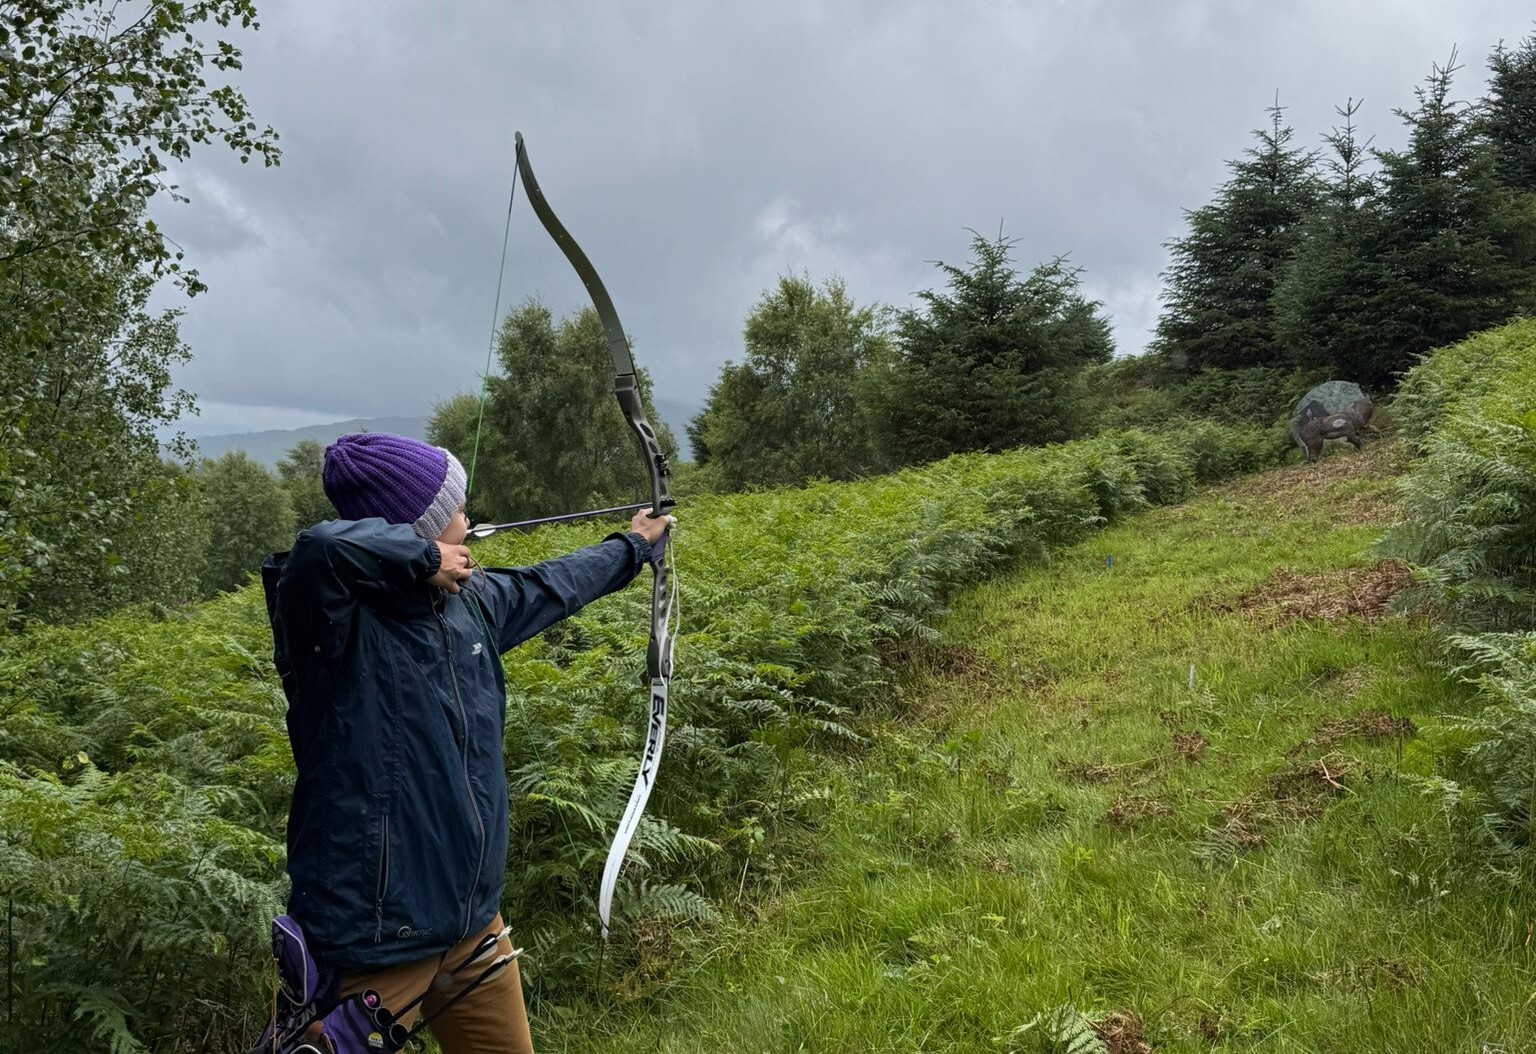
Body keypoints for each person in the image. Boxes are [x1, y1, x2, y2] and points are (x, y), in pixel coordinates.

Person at [259, 432, 672, 1054]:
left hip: (472, 920)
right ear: (422, 531)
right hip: (377, 933)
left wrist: (633, 546)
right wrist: (422, 556)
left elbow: (550, 584)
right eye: (456, 508)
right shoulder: (330, 625)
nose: (468, 518)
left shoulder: (466, 603)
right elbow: (319, 549)